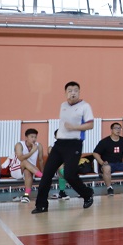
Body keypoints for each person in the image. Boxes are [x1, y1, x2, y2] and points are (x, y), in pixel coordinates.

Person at [32, 82, 97, 213]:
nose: (73, 93)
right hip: (59, 144)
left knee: (69, 174)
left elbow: (90, 125)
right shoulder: (63, 105)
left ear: (79, 92)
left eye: (76, 90)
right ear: (65, 93)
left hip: (74, 144)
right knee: (47, 174)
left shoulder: (85, 106)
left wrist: (74, 127)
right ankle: (41, 205)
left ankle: (87, 194)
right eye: (70, 90)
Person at [9, 128, 44, 203]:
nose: (34, 139)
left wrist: (43, 171)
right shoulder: (19, 145)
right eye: (32, 137)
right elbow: (21, 158)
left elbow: (41, 160)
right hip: (17, 170)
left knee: (27, 172)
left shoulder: (39, 146)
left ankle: (26, 195)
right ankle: (43, 177)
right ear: (26, 137)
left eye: (35, 137)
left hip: (31, 171)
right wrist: (32, 151)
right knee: (24, 162)